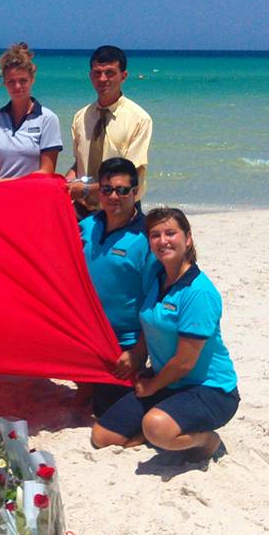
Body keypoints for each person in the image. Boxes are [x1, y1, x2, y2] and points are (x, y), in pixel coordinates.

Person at [91, 208, 239, 460]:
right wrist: (138, 354)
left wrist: (151, 386)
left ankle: (207, 440)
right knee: (102, 437)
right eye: (155, 235)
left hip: (209, 389)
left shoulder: (198, 291)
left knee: (156, 426)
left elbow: (184, 362)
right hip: (168, 381)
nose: (163, 241)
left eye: (171, 233)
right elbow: (151, 326)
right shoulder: (157, 278)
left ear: (188, 238)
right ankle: (156, 430)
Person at [77, 157, 160, 416]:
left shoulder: (147, 238)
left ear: (135, 193)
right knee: (84, 401)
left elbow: (155, 301)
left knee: (108, 412)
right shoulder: (86, 226)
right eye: (107, 190)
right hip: (86, 335)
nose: (114, 196)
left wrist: (138, 351)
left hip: (124, 344)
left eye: (123, 190)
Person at [65, 46, 152, 218]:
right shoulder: (81, 117)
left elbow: (128, 176)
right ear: (90, 76)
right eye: (97, 73)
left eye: (110, 73)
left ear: (123, 76)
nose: (103, 79)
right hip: (82, 210)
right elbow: (79, 164)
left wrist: (86, 190)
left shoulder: (140, 119)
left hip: (121, 209)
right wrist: (66, 183)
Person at [0, 43, 62, 183]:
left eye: (23, 80)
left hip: (32, 196)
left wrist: (4, 183)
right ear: (4, 83)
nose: (17, 86)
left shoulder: (47, 118)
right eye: (11, 81)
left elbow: (46, 172)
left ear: (32, 80)